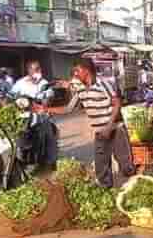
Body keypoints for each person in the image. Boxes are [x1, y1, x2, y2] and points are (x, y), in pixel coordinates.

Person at [54, 58, 134, 188]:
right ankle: (106, 194)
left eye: (77, 71)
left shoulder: (103, 84)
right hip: (100, 134)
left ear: (86, 71)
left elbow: (117, 103)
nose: (75, 74)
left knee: (126, 167)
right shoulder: (80, 89)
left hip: (115, 129)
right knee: (101, 169)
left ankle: (132, 189)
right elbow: (68, 108)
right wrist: (46, 109)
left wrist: (108, 127)